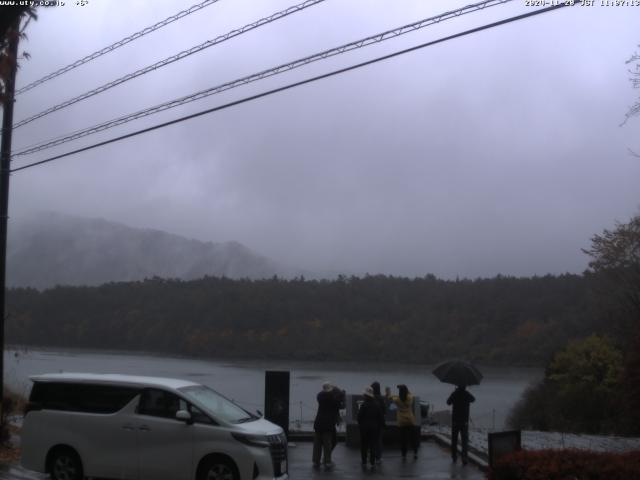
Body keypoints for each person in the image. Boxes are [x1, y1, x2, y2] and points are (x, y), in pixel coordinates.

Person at [386, 384, 419, 459]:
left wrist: (389, 394)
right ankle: (415, 452)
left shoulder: (397, 400)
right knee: (413, 438)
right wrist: (404, 387)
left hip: (401, 421)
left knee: (403, 439)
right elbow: (410, 394)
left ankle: (404, 454)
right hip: (410, 420)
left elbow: (391, 397)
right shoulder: (410, 398)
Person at [312, 382, 340, 469]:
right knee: (327, 443)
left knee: (317, 443)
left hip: (318, 422)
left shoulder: (320, 397)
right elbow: (340, 400)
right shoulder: (333, 399)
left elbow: (320, 393)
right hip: (328, 424)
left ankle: (316, 461)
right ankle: (327, 461)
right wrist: (337, 389)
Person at [446, 384, 475, 465]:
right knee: (464, 441)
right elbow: (473, 399)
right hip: (464, 421)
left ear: (457, 386)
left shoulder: (455, 393)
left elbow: (448, 402)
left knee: (454, 439)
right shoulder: (466, 394)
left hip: (455, 421)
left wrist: (454, 393)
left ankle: (454, 456)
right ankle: (464, 457)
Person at [357, 386, 384, 468]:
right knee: (373, 445)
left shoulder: (364, 405)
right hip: (374, 428)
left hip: (364, 428)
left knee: (364, 445)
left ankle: (364, 461)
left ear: (366, 396)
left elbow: (359, 417)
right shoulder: (377, 405)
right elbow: (380, 417)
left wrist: (361, 425)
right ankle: (372, 462)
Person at [370, 381, 386, 463]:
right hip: (379, 423)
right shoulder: (381, 399)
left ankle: (371, 456)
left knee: (371, 440)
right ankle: (378, 457)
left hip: (371, 422)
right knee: (379, 440)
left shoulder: (370, 398)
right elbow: (384, 411)